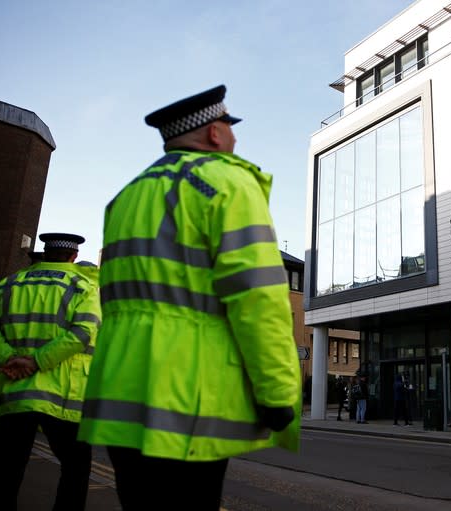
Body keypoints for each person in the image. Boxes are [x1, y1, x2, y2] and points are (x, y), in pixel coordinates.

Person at [78, 85, 302, 511]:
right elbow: (258, 300)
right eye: (231, 130)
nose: (235, 140)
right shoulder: (229, 183)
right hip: (189, 393)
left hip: (121, 387)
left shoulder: (125, 197)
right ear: (215, 133)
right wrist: (276, 393)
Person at [0, 233, 101, 511]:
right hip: (63, 395)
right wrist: (37, 362)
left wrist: (10, 358)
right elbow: (83, 333)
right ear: (73, 257)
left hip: (11, 390)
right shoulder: (84, 287)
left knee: (3, 466)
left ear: (44, 253)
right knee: (76, 468)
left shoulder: (8, 285)